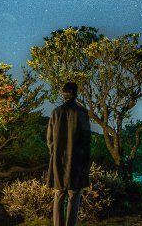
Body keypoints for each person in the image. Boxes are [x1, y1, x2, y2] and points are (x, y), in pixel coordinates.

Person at [45, 81, 91, 226]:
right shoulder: (81, 112)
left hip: (58, 160)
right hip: (76, 160)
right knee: (74, 195)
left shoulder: (55, 112)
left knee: (59, 195)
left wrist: (55, 153)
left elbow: (49, 140)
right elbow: (86, 139)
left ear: (63, 94)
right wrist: (85, 159)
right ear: (76, 94)